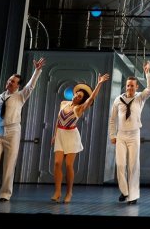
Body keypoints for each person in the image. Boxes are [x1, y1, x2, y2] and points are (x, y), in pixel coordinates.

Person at [0, 57, 47, 202]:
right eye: (9, 80)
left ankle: (4, 194)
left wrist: (37, 70)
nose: (10, 82)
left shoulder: (20, 96)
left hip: (13, 131)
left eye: (13, 82)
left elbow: (30, 86)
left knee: (9, 164)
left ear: (17, 86)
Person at [51, 72, 110, 203]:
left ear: (81, 100)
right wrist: (54, 134)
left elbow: (91, 98)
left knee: (68, 165)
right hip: (60, 134)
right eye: (77, 94)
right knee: (57, 163)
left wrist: (99, 84)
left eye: (81, 96)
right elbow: (58, 120)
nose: (78, 96)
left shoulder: (79, 108)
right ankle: (57, 191)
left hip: (72, 136)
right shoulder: (63, 103)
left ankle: (69, 192)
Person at [108, 61, 150, 205]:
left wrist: (147, 73)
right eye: (128, 85)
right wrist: (112, 135)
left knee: (133, 165)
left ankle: (133, 196)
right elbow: (112, 119)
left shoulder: (140, 97)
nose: (129, 87)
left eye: (132, 86)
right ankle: (125, 191)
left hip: (134, 135)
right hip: (121, 135)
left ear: (136, 87)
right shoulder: (118, 99)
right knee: (121, 165)